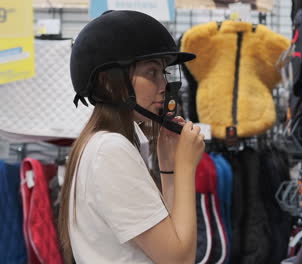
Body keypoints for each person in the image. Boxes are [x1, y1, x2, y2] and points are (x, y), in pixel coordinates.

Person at [58, 10, 205, 264]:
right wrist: (185, 166)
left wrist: (169, 167)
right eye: (151, 73)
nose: (163, 85)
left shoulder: (108, 143)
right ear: (109, 82)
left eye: (164, 73)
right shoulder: (110, 150)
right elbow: (180, 259)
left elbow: (172, 237)